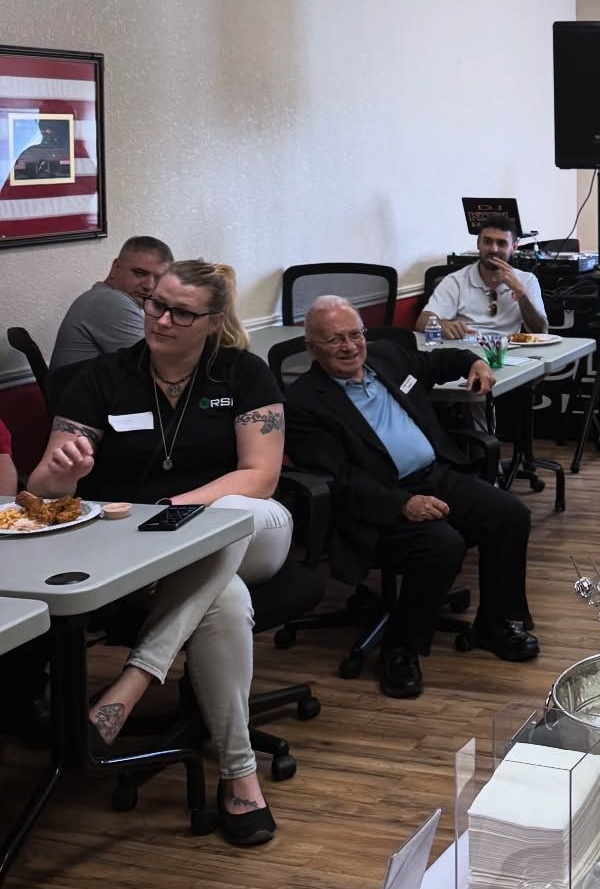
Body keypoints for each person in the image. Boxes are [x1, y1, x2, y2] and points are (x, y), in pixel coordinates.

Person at [26, 261, 292, 847]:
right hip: (139, 553)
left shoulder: (243, 374)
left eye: (181, 313)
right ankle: (241, 776)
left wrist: (173, 512)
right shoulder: (102, 378)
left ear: (213, 321)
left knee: (226, 519)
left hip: (252, 530)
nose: (161, 320)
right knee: (225, 600)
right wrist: (59, 475)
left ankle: (135, 680)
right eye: (154, 304)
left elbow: (260, 477)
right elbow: (43, 489)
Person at [285, 298, 537, 697]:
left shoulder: (386, 357)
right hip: (373, 504)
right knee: (441, 544)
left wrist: (475, 362)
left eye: (354, 335)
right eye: (334, 340)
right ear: (311, 348)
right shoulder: (303, 402)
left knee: (509, 514)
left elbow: (441, 361)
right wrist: (401, 504)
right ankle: (401, 648)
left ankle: (495, 623)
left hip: (434, 475)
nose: (349, 347)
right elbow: (341, 479)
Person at [48, 233, 173, 392]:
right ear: (116, 267)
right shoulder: (110, 302)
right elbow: (159, 368)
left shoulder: (102, 295)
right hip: (85, 404)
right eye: (139, 273)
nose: (149, 285)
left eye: (158, 278)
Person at [417, 214, 547, 339]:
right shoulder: (456, 281)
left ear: (513, 247)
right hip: (465, 348)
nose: (494, 249)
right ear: (478, 244)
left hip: (508, 350)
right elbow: (422, 321)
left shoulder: (527, 280)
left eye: (501, 243)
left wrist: (520, 292)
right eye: (487, 242)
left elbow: (541, 331)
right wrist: (442, 325)